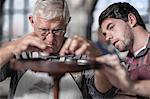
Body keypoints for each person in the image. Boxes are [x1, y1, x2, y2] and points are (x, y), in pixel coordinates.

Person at [0, 0, 117, 99]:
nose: (50, 39)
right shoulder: (19, 50)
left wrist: (97, 58)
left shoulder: (79, 52)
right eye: (43, 30)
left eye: (57, 30)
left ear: (67, 23)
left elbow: (103, 93)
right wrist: (11, 48)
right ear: (32, 21)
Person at [95, 2, 150, 98]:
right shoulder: (126, 62)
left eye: (111, 27)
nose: (108, 37)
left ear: (131, 20)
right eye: (105, 34)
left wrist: (131, 86)